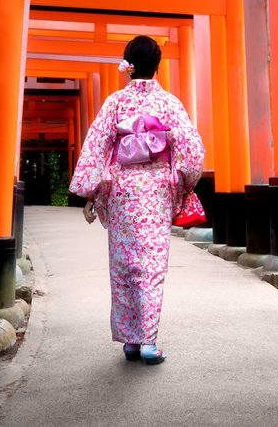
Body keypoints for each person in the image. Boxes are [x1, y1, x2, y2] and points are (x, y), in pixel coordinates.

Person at [69, 35, 204, 365]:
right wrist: (184, 182)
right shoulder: (169, 104)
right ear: (157, 66)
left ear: (127, 65)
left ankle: (130, 340)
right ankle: (147, 342)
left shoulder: (115, 103)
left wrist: (90, 192)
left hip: (122, 192)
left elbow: (96, 146)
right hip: (155, 192)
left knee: (125, 266)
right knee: (151, 267)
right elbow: (191, 152)